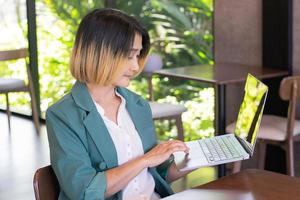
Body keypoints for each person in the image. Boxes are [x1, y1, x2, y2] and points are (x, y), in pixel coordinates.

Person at [46, 8, 191, 200]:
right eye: (128, 56)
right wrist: (145, 159)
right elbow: (83, 192)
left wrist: (194, 160)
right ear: (99, 53)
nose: (136, 66)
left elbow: (157, 175)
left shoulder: (137, 105)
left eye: (138, 55)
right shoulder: (62, 115)